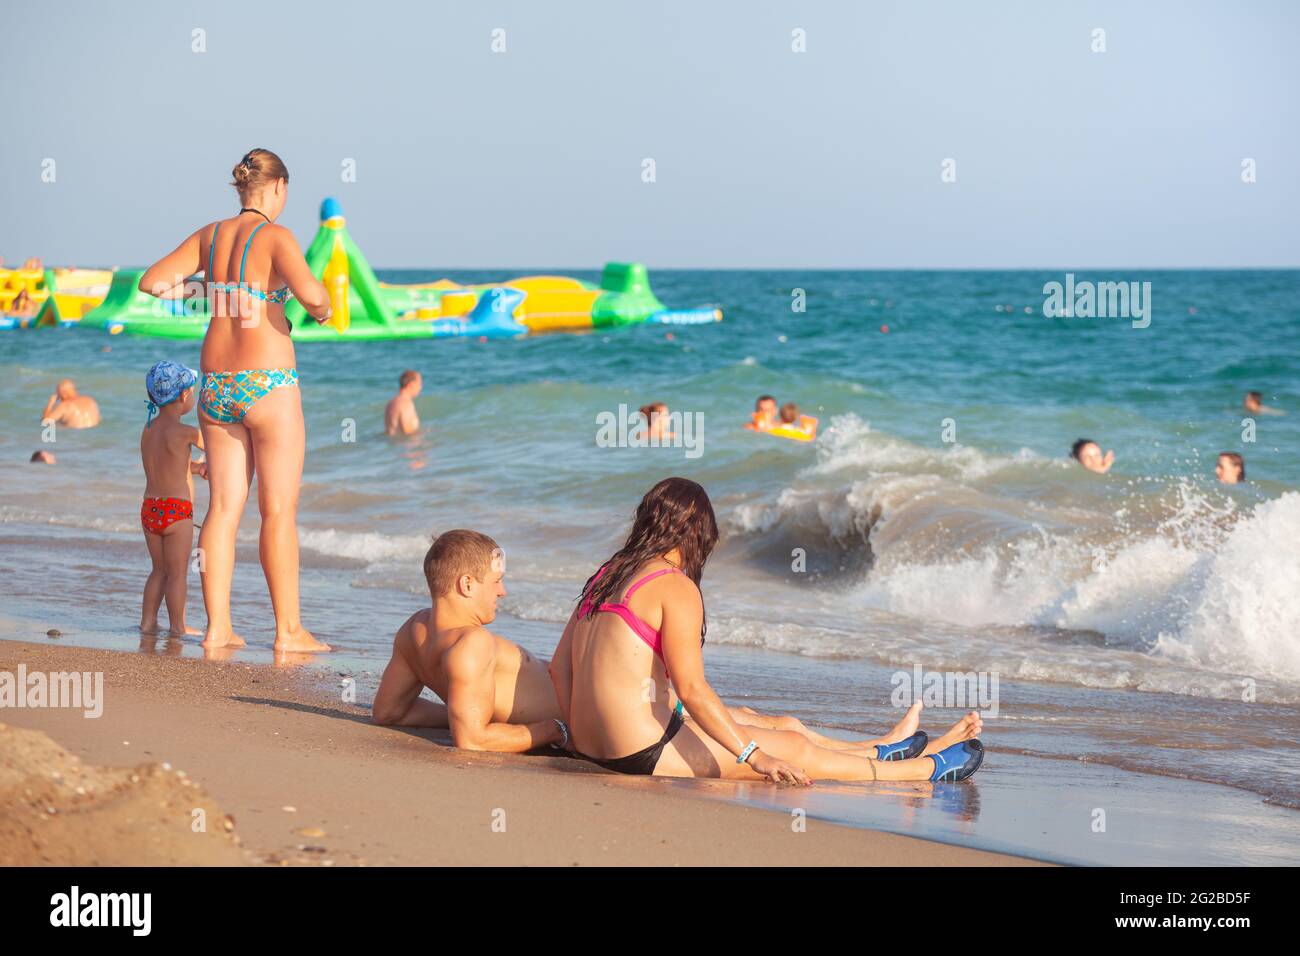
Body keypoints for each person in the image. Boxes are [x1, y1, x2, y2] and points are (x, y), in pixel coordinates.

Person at [549, 478, 985, 783]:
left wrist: (578, 738)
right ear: (698, 533)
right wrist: (753, 757)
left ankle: (882, 748)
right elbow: (693, 689)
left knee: (772, 723)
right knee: (793, 749)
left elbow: (559, 669)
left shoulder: (607, 573)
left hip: (591, 742)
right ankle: (924, 770)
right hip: (637, 751)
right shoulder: (673, 585)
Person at [373, 530, 934, 758]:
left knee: (763, 720)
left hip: (592, 705)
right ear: (467, 584)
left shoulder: (414, 630)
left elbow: (390, 712)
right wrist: (549, 730)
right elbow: (471, 744)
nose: (504, 590)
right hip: (599, 715)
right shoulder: (472, 646)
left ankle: (878, 748)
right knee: (763, 728)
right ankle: (880, 753)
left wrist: (457, 710)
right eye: (496, 583)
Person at [139, 148, 333, 653]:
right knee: (277, 511)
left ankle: (217, 628)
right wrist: (323, 310)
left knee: (223, 508)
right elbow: (314, 296)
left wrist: (214, 296)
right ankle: (288, 632)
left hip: (215, 386)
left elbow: (153, 282)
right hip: (268, 383)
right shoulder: (276, 236)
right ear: (278, 188)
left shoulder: (211, 235)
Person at [139, 361, 208, 636]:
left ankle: (147, 622)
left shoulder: (147, 430)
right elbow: (216, 448)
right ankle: (178, 626)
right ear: (183, 396)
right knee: (177, 573)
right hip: (177, 511)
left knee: (158, 570)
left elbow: (169, 462)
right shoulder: (187, 432)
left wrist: (195, 467)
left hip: (150, 509)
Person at [384, 370, 422, 435]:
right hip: (404, 444)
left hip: (392, 444)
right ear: (411, 384)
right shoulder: (406, 404)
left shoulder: (391, 403)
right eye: (419, 384)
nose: (420, 387)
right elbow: (407, 432)